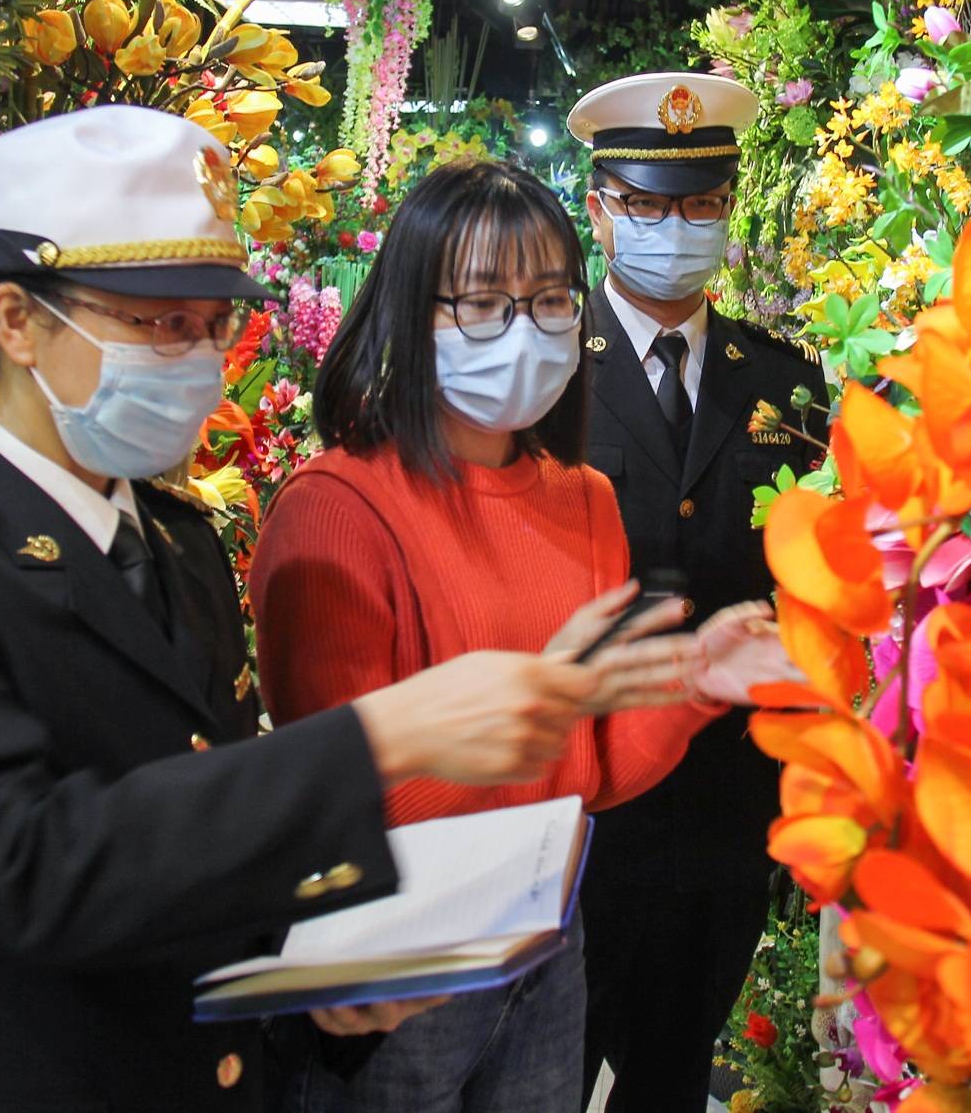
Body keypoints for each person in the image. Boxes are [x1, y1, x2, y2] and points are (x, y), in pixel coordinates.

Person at [0, 107, 651, 1113]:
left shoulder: (179, 544)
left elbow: (215, 830)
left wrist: (316, 973)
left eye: (212, 324)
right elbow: (30, 868)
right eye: (158, 324)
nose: (195, 359)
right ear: (17, 321)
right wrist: (383, 735)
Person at [251, 156, 794, 1113]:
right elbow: (334, 787)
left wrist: (699, 682)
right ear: (413, 312)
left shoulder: (580, 500)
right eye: (483, 304)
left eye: (549, 301)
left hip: (545, 935)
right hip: (395, 957)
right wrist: (539, 711)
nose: (527, 331)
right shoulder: (337, 505)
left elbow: (594, 769)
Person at [568, 73, 827, 1113]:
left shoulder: (783, 382)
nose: (676, 228)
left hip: (726, 807)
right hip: (585, 807)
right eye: (646, 204)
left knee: (673, 1078)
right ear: (598, 208)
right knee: (545, 1069)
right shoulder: (546, 377)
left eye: (701, 204)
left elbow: (810, 571)